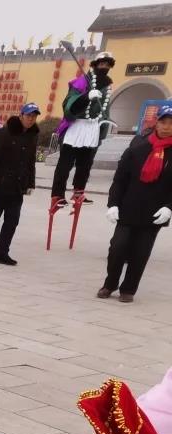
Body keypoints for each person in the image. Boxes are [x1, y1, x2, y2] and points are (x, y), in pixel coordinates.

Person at [97, 105, 172, 303]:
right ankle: (110, 284)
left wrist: (169, 207)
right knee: (117, 247)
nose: (167, 127)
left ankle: (128, 289)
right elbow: (120, 178)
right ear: (156, 123)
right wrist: (113, 204)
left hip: (154, 213)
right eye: (163, 122)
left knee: (141, 252)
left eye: (171, 124)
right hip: (128, 208)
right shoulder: (138, 146)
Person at [0, 102, 40, 266]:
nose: (31, 119)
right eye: (28, 115)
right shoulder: (3, 133)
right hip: (0, 185)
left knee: (12, 222)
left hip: (17, 188)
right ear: (21, 116)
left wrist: (30, 183)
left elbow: (30, 161)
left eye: (34, 116)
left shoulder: (32, 136)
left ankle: (2, 253)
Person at [52, 52, 115, 207]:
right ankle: (57, 195)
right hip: (76, 126)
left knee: (85, 164)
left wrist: (102, 130)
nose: (104, 67)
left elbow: (104, 110)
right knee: (65, 164)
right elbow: (68, 104)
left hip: (93, 128)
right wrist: (86, 97)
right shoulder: (82, 81)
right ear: (95, 65)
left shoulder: (107, 86)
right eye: (102, 64)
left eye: (107, 65)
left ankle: (78, 192)